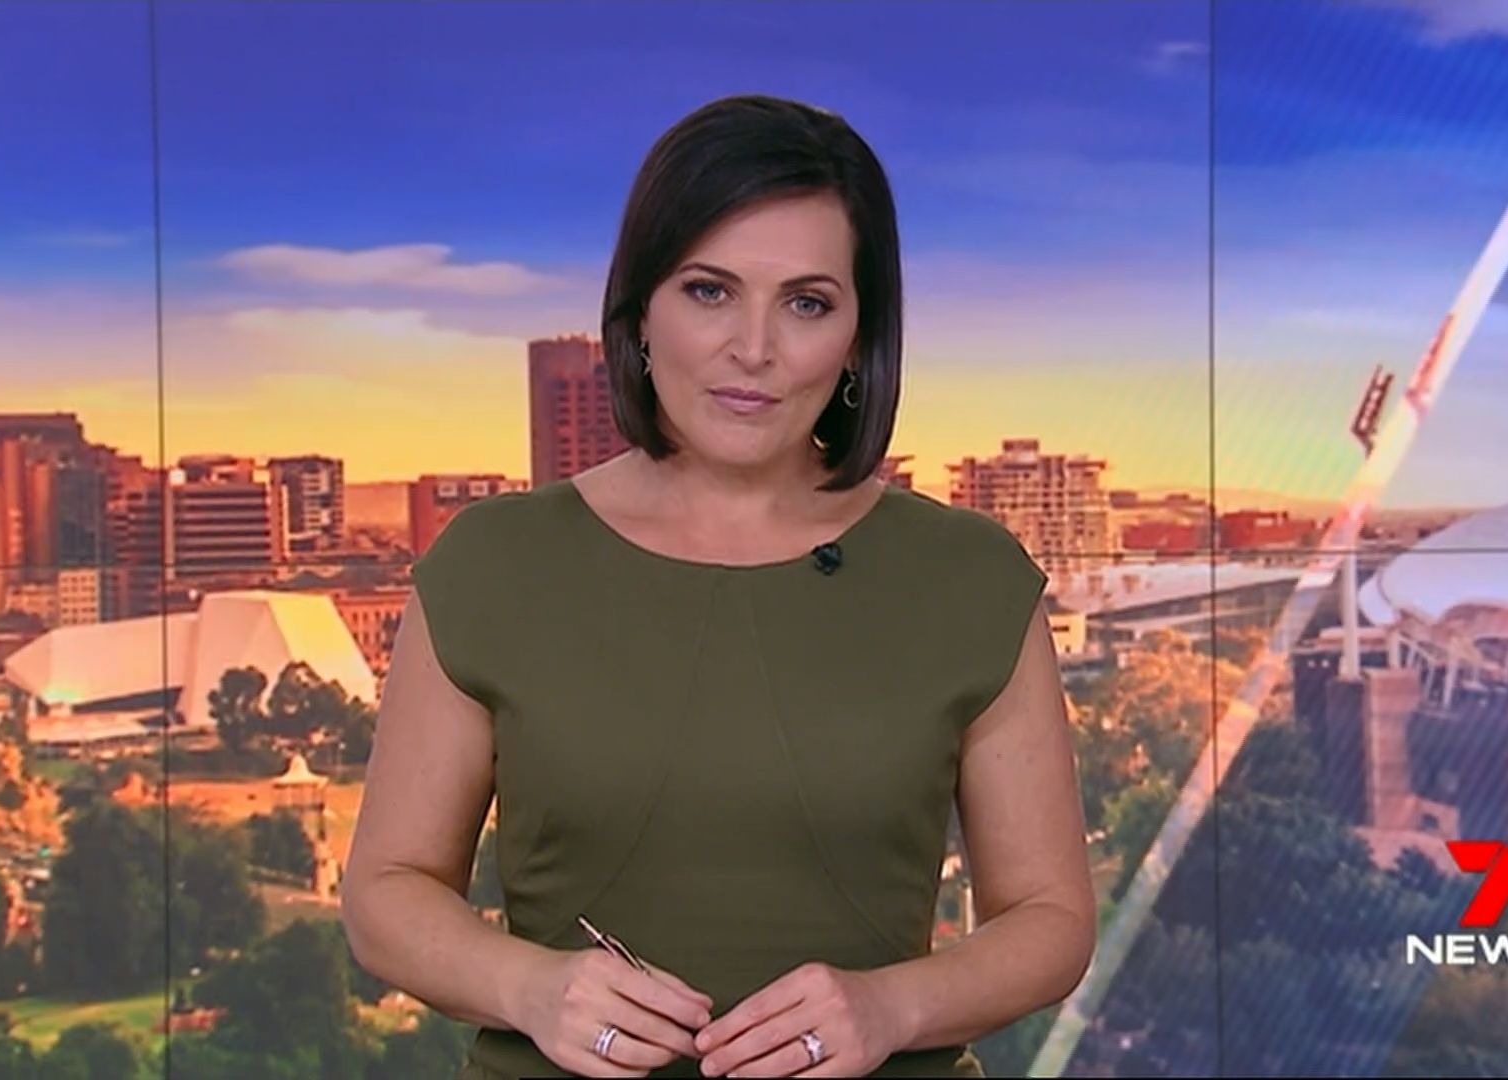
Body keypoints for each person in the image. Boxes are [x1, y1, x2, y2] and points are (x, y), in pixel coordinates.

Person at [343, 93, 1095, 1079]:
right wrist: (532, 987)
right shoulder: (494, 563)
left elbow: (1050, 919)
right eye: (709, 291)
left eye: (807, 303)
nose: (754, 348)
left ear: (859, 336)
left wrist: (892, 1006)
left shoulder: (970, 579)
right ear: (640, 313)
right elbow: (387, 892)